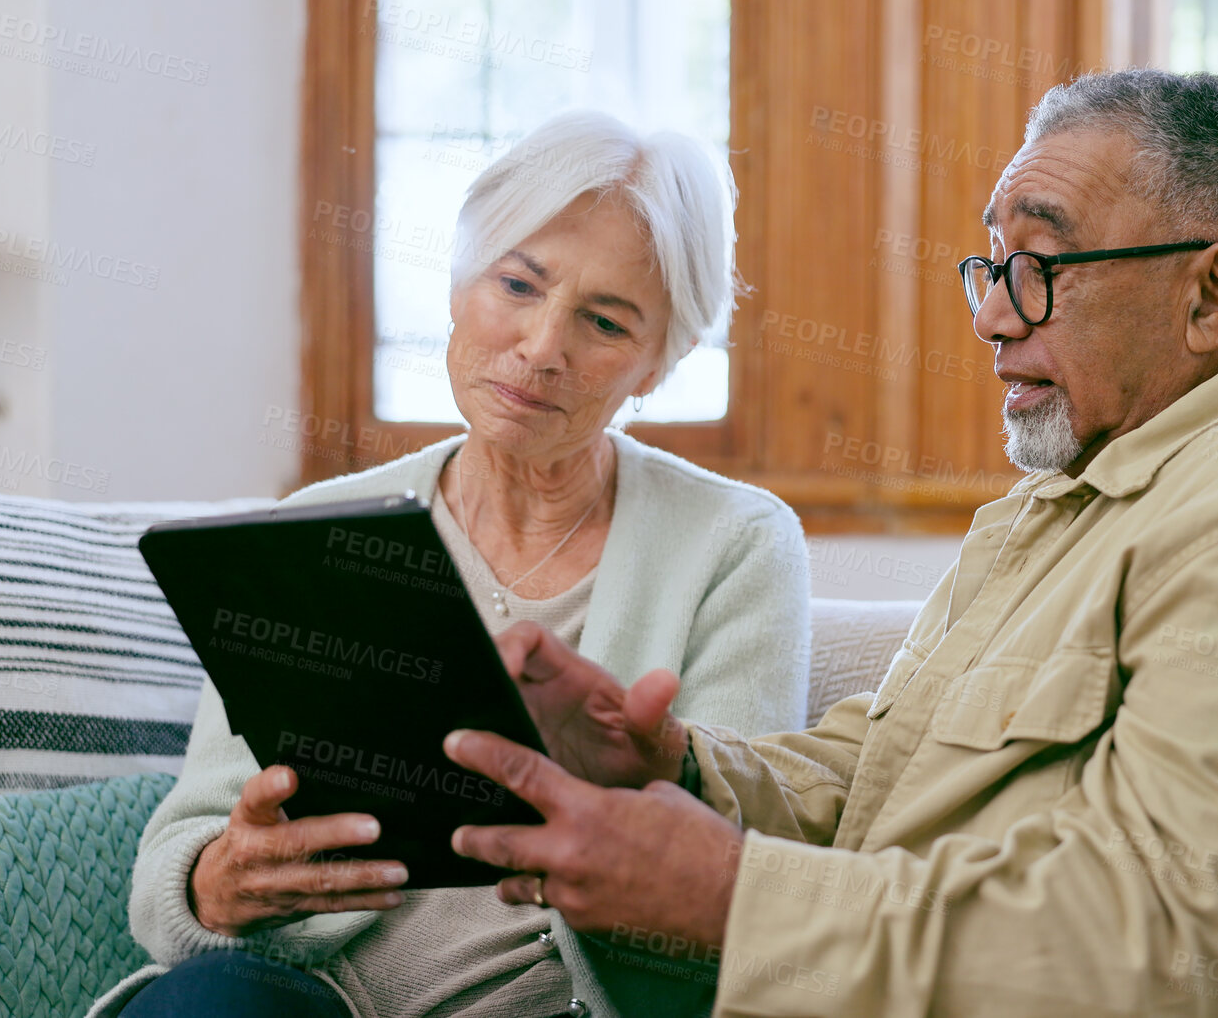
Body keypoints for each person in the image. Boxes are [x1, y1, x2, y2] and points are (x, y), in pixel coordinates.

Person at [438, 70, 1218, 1017]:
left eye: (1040, 264)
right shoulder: (1059, 507)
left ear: (1213, 293)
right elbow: (878, 773)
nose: (993, 317)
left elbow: (1146, 946)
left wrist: (729, 895)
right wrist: (669, 762)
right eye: (990, 263)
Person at [91, 110, 813, 1018]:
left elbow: (726, 883)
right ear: (459, 278)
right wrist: (217, 883)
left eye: (603, 321)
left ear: (656, 366)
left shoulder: (735, 542)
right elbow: (178, 869)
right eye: (517, 283)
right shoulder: (315, 526)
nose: (543, 347)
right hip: (304, 994)